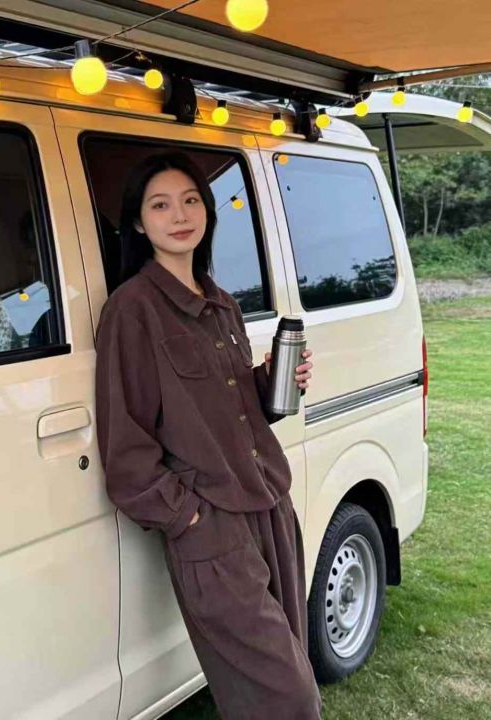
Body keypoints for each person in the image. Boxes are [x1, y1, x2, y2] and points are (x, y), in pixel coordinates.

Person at [95, 151, 322, 720]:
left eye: (191, 200)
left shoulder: (221, 304)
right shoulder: (132, 310)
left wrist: (270, 384)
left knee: (288, 670)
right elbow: (127, 450)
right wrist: (190, 519)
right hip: (214, 528)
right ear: (138, 223)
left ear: (208, 212)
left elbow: (224, 410)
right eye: (160, 205)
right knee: (287, 698)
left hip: (271, 505)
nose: (180, 215)